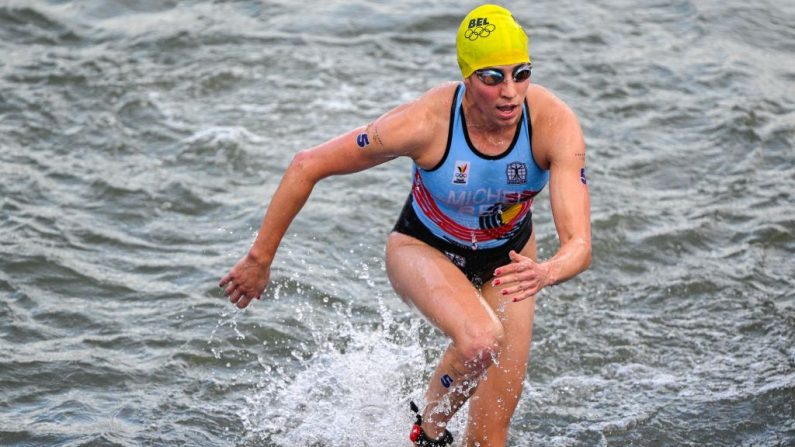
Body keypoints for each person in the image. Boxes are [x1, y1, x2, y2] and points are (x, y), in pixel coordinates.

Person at [219, 4, 591, 446]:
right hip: (423, 249)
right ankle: (427, 432)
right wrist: (259, 260)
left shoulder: (553, 124)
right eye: (493, 77)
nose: (511, 92)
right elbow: (307, 165)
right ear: (468, 78)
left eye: (521, 73)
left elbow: (579, 244)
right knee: (480, 340)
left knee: (490, 437)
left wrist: (545, 271)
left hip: (511, 265)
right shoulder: (425, 122)